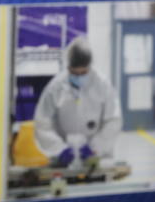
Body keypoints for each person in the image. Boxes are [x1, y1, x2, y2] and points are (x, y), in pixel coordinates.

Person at [34, 37, 122, 166]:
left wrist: (95, 148)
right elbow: (42, 123)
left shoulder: (103, 86)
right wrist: (59, 149)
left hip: (97, 159)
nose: (79, 77)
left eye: (83, 72)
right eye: (75, 73)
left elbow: (113, 120)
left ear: (90, 66)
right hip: (63, 160)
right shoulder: (55, 88)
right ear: (68, 67)